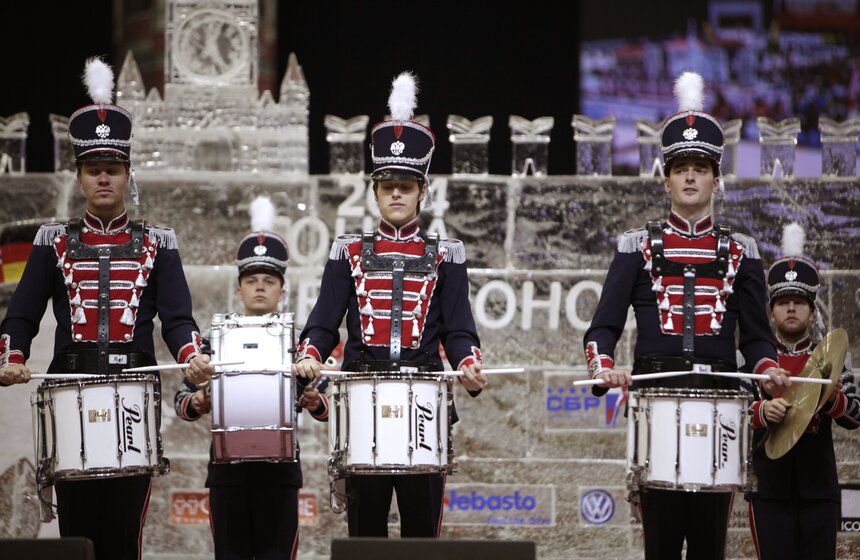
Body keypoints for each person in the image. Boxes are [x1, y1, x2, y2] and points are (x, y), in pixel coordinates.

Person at [0, 57, 211, 560]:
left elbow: (177, 319)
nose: (103, 179)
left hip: (133, 397)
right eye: (93, 170)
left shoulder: (159, 242)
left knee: (123, 535)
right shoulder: (52, 240)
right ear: (79, 176)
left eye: (112, 170)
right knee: (77, 537)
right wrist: (12, 356)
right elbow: (22, 316)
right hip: (68, 393)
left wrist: (192, 356)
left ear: (127, 174)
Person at [582, 71, 791, 559]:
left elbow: (757, 339)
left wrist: (767, 369)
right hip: (655, 405)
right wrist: (603, 367)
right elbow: (602, 328)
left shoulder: (742, 251)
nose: (691, 177)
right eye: (681, 169)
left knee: (708, 548)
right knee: (660, 547)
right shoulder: (635, 246)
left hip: (721, 406)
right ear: (666, 179)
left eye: (700, 168)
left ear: (717, 179)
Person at [291, 71, 487, 538]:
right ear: (375, 191)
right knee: (365, 537)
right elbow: (323, 323)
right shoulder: (347, 251)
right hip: (362, 400)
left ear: (423, 191)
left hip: (425, 404)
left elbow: (459, 329)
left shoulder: (447, 254)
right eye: (387, 185)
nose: (396, 192)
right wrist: (309, 355)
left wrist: (468, 363)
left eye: (406, 184)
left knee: (422, 537)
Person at [175, 223, 329, 559]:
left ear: (282, 291)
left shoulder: (300, 344)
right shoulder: (213, 340)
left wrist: (314, 401)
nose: (260, 287)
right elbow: (180, 402)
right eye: (252, 281)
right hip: (227, 473)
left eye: (269, 281)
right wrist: (199, 401)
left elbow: (329, 404)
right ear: (239, 290)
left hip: (280, 473)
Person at [746, 224, 860, 560]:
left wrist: (834, 399)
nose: (791, 308)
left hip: (818, 489)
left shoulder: (834, 357)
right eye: (783, 302)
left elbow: (855, 416)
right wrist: (762, 411)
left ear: (812, 311)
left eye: (799, 302)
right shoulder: (753, 358)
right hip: (769, 489)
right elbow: (735, 414)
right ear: (772, 311)